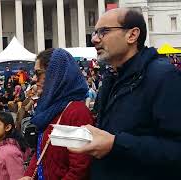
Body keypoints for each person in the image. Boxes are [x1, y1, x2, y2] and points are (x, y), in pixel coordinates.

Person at [68, 8, 181, 180]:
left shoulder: (163, 76)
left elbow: (175, 149)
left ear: (132, 35)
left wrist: (115, 144)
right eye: (95, 33)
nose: (95, 39)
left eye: (103, 31)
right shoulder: (110, 78)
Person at [20, 48, 94, 180]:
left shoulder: (77, 112)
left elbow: (79, 168)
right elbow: (41, 152)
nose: (34, 79)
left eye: (38, 73)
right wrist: (28, 175)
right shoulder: (48, 109)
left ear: (55, 74)